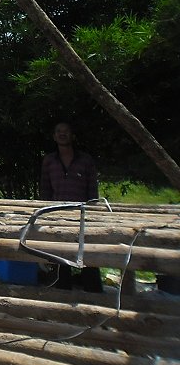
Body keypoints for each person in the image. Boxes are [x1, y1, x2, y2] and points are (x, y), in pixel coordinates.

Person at [40, 121, 103, 293]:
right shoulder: (49, 161)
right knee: (61, 257)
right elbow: (45, 189)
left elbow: (92, 190)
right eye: (59, 131)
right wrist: (45, 212)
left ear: (72, 136)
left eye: (66, 131)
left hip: (83, 214)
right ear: (54, 136)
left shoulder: (85, 160)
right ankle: (63, 295)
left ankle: (94, 296)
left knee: (88, 256)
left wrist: (94, 211)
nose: (62, 134)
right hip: (57, 215)